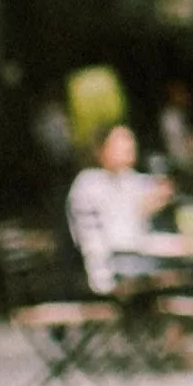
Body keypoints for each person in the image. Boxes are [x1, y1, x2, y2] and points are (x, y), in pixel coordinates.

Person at [64, 124, 176, 295]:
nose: (129, 147)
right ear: (101, 150)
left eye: (130, 141)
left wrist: (159, 196)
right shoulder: (88, 184)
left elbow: (150, 192)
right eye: (121, 142)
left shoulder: (127, 179)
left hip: (134, 259)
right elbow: (95, 241)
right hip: (109, 268)